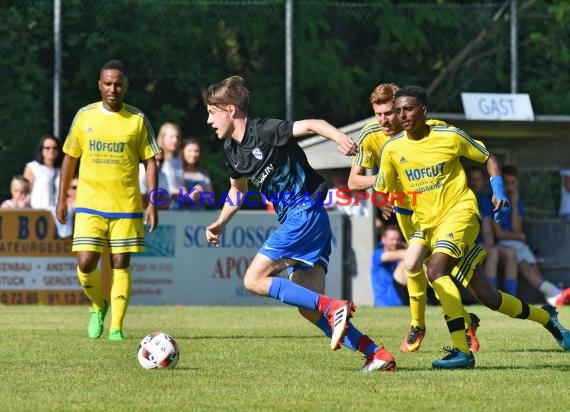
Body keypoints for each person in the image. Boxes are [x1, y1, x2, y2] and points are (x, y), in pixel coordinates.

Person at [203, 75, 395, 372]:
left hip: (304, 213)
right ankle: (376, 354)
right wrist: (219, 222)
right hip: (310, 221)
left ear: (230, 110)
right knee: (308, 308)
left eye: (211, 113)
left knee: (253, 280)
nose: (207, 120)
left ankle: (334, 307)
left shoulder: (264, 129)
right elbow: (237, 191)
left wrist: (339, 139)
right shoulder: (231, 152)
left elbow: (311, 124)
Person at [375, 85, 570, 369]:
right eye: (398, 110)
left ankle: (461, 351)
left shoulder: (449, 136)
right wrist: (382, 203)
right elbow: (380, 189)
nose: (401, 115)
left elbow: (488, 157)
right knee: (490, 298)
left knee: (435, 271)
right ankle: (547, 318)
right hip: (427, 226)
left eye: (408, 109)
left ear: (424, 111)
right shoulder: (393, 149)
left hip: (460, 215)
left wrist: (498, 190)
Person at [348, 82, 480, 354]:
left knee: (425, 269)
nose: (385, 120)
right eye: (379, 114)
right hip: (405, 215)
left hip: (437, 212)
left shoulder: (423, 131)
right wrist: (384, 181)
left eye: (390, 113)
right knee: (424, 270)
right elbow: (353, 181)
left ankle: (423, 324)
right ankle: (464, 323)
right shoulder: (370, 135)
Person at [56, 59, 160, 341]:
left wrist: (152, 202)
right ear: (99, 85)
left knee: (120, 263)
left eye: (118, 83)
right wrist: (62, 198)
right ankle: (97, 305)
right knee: (86, 262)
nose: (113, 88)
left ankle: (116, 327)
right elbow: (69, 157)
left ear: (125, 86)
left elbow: (151, 161)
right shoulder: (84, 116)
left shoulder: (137, 120)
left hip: (126, 206)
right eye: (108, 83)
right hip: (89, 204)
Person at [492, 166, 570, 306]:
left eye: (513, 183)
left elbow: (517, 228)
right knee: (525, 266)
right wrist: (518, 236)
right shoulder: (493, 200)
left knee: (533, 267)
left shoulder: (518, 203)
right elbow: (499, 234)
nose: (510, 187)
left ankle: (552, 298)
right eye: (507, 183)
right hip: (502, 245)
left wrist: (514, 205)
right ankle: (555, 293)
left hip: (517, 243)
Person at [466, 165, 519, 295]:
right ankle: (490, 296)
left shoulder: (484, 199)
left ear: (483, 181)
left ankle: (511, 297)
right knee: (493, 252)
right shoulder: (463, 197)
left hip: (484, 244)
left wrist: (490, 246)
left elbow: (487, 227)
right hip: (466, 244)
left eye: (478, 179)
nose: (475, 183)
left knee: (509, 253)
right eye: (472, 179)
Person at [370, 225, 408, 307]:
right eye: (392, 239)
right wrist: (412, 250)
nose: (395, 242)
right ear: (383, 240)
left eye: (398, 239)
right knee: (407, 263)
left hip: (402, 299)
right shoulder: (377, 254)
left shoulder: (400, 254)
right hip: (386, 302)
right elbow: (391, 256)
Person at [23, 134, 62, 209]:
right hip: (38, 212)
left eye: (55, 148)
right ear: (41, 150)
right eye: (47, 148)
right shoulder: (33, 167)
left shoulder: (61, 170)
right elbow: (25, 192)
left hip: (57, 213)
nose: (51, 150)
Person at [180, 138, 214, 209]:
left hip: (200, 215)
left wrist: (200, 196)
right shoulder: (177, 173)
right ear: (182, 152)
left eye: (196, 151)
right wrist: (189, 196)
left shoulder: (203, 174)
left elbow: (211, 200)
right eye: (190, 151)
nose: (193, 154)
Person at [156, 122, 184, 207]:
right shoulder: (157, 160)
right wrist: (178, 192)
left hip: (178, 208)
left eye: (177, 137)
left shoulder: (179, 160)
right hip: (161, 208)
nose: (175, 140)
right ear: (162, 138)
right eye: (171, 137)